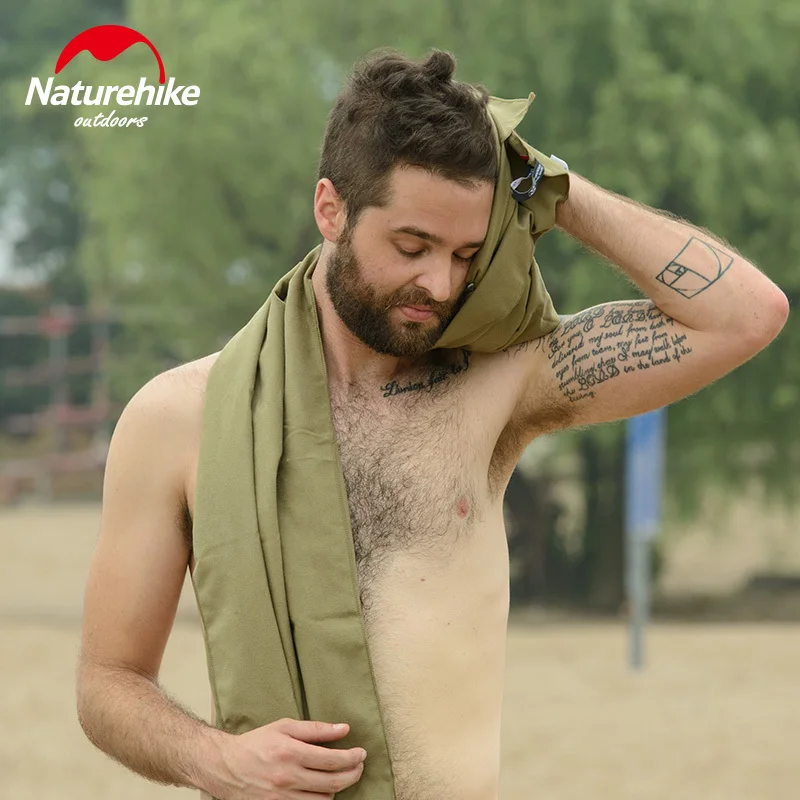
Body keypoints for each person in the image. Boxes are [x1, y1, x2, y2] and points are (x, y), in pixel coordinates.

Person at [75, 48, 789, 800]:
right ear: (331, 210)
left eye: (466, 254)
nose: (440, 285)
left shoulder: (499, 384)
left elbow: (745, 315)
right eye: (412, 247)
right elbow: (107, 682)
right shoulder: (178, 419)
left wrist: (553, 187)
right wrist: (218, 761)